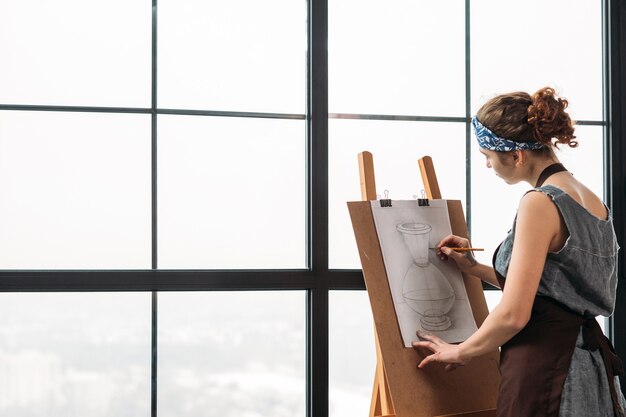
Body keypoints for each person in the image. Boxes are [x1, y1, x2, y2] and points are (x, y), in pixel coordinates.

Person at [411, 87, 626, 417]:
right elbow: (553, 289)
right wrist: (474, 267)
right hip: (591, 369)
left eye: (488, 156)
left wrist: (460, 352)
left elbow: (514, 314)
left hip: (548, 368)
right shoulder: (593, 201)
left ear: (516, 156)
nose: (487, 165)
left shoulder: (540, 202)